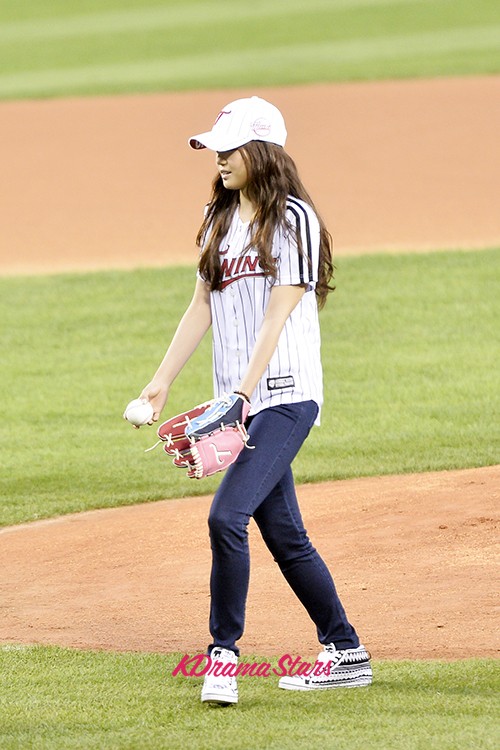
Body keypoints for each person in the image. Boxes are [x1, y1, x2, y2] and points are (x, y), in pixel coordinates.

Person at [136, 96, 372, 705]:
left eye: (230, 147)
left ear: (263, 151)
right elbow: (201, 308)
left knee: (225, 516)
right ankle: (345, 650)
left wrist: (242, 393)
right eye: (215, 147)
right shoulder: (219, 222)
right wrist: (158, 383)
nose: (218, 157)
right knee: (284, 533)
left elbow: (278, 312)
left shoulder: (293, 219)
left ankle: (223, 657)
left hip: (285, 395)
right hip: (237, 403)